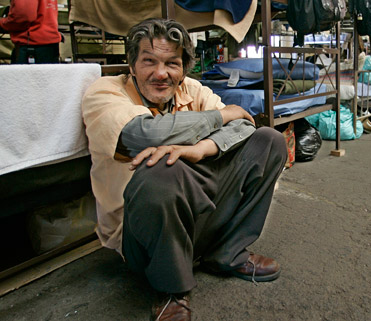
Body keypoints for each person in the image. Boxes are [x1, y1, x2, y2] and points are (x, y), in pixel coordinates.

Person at [81, 18, 287, 321]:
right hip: (139, 235)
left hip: (193, 215)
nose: (161, 73)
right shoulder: (105, 92)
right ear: (132, 65)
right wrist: (218, 118)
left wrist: (200, 148)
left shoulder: (191, 89)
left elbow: (244, 123)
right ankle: (170, 288)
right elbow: (144, 136)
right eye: (149, 61)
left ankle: (226, 253)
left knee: (269, 141)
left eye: (172, 63)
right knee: (162, 168)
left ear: (184, 68)